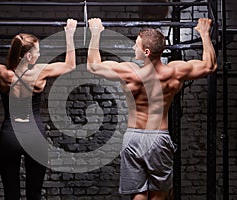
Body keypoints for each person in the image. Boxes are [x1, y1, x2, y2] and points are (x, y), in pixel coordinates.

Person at [87, 18, 217, 200]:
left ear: (146, 52)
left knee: (138, 193)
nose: (133, 48)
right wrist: (204, 34)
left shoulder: (130, 72)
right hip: (158, 138)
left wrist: (95, 33)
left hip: (133, 138)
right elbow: (210, 65)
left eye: (136, 45)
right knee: (159, 192)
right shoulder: (174, 72)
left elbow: (93, 66)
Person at [0, 17, 77, 200]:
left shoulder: (2, 74)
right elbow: (70, 65)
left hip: (10, 136)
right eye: (37, 51)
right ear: (28, 56)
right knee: (34, 194)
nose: (40, 54)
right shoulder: (40, 72)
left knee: (11, 194)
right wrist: (69, 35)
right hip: (34, 136)